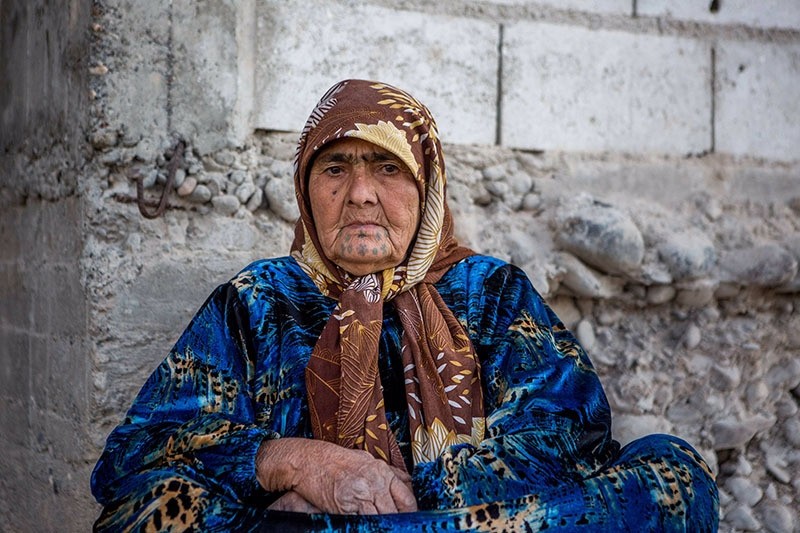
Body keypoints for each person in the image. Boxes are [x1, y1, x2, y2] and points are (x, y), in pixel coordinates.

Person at [91, 79, 719, 532]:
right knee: (150, 506)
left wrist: (408, 493)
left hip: (442, 522)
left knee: (671, 473)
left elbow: (569, 433)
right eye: (335, 167)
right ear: (306, 190)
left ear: (427, 186)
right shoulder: (260, 301)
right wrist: (294, 462)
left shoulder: (490, 293)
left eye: (387, 168)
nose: (361, 193)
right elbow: (137, 453)